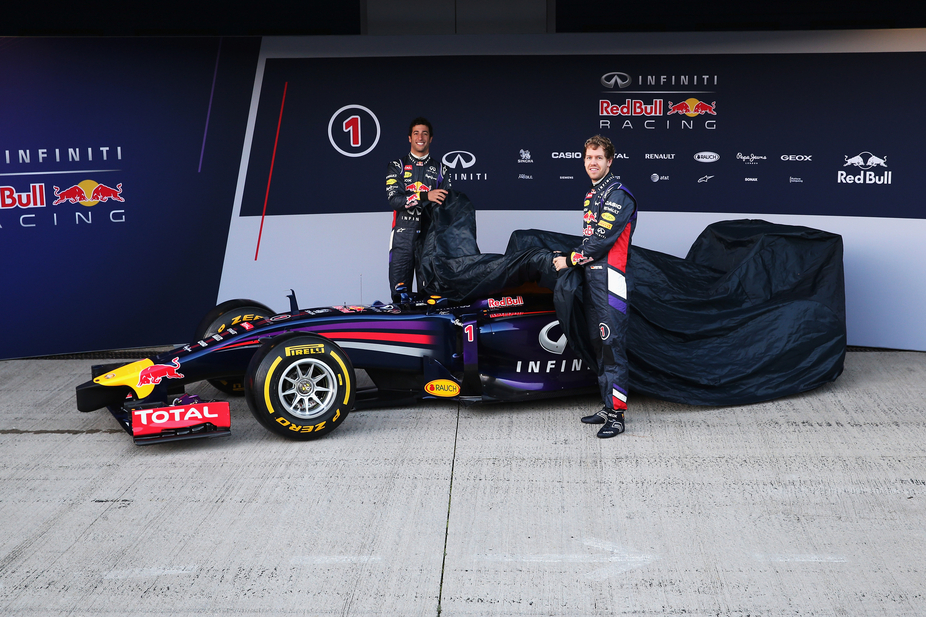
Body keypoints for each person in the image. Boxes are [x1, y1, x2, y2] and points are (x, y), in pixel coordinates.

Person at [553, 135, 637, 438]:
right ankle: (607, 404)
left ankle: (617, 415)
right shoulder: (592, 195)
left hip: (611, 282)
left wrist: (569, 260)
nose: (593, 163)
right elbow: (591, 240)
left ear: (609, 161)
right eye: (589, 158)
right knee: (601, 348)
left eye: (599, 158)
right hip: (594, 282)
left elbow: (599, 243)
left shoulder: (618, 195)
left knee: (612, 348)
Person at [385, 117, 452, 303]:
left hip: (431, 240)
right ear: (409, 138)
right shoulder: (396, 166)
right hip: (402, 237)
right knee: (400, 297)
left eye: (425, 133)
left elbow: (448, 207)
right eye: (416, 133)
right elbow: (395, 200)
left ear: (431, 138)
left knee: (431, 297)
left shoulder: (442, 170)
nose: (420, 137)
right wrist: (425, 196)